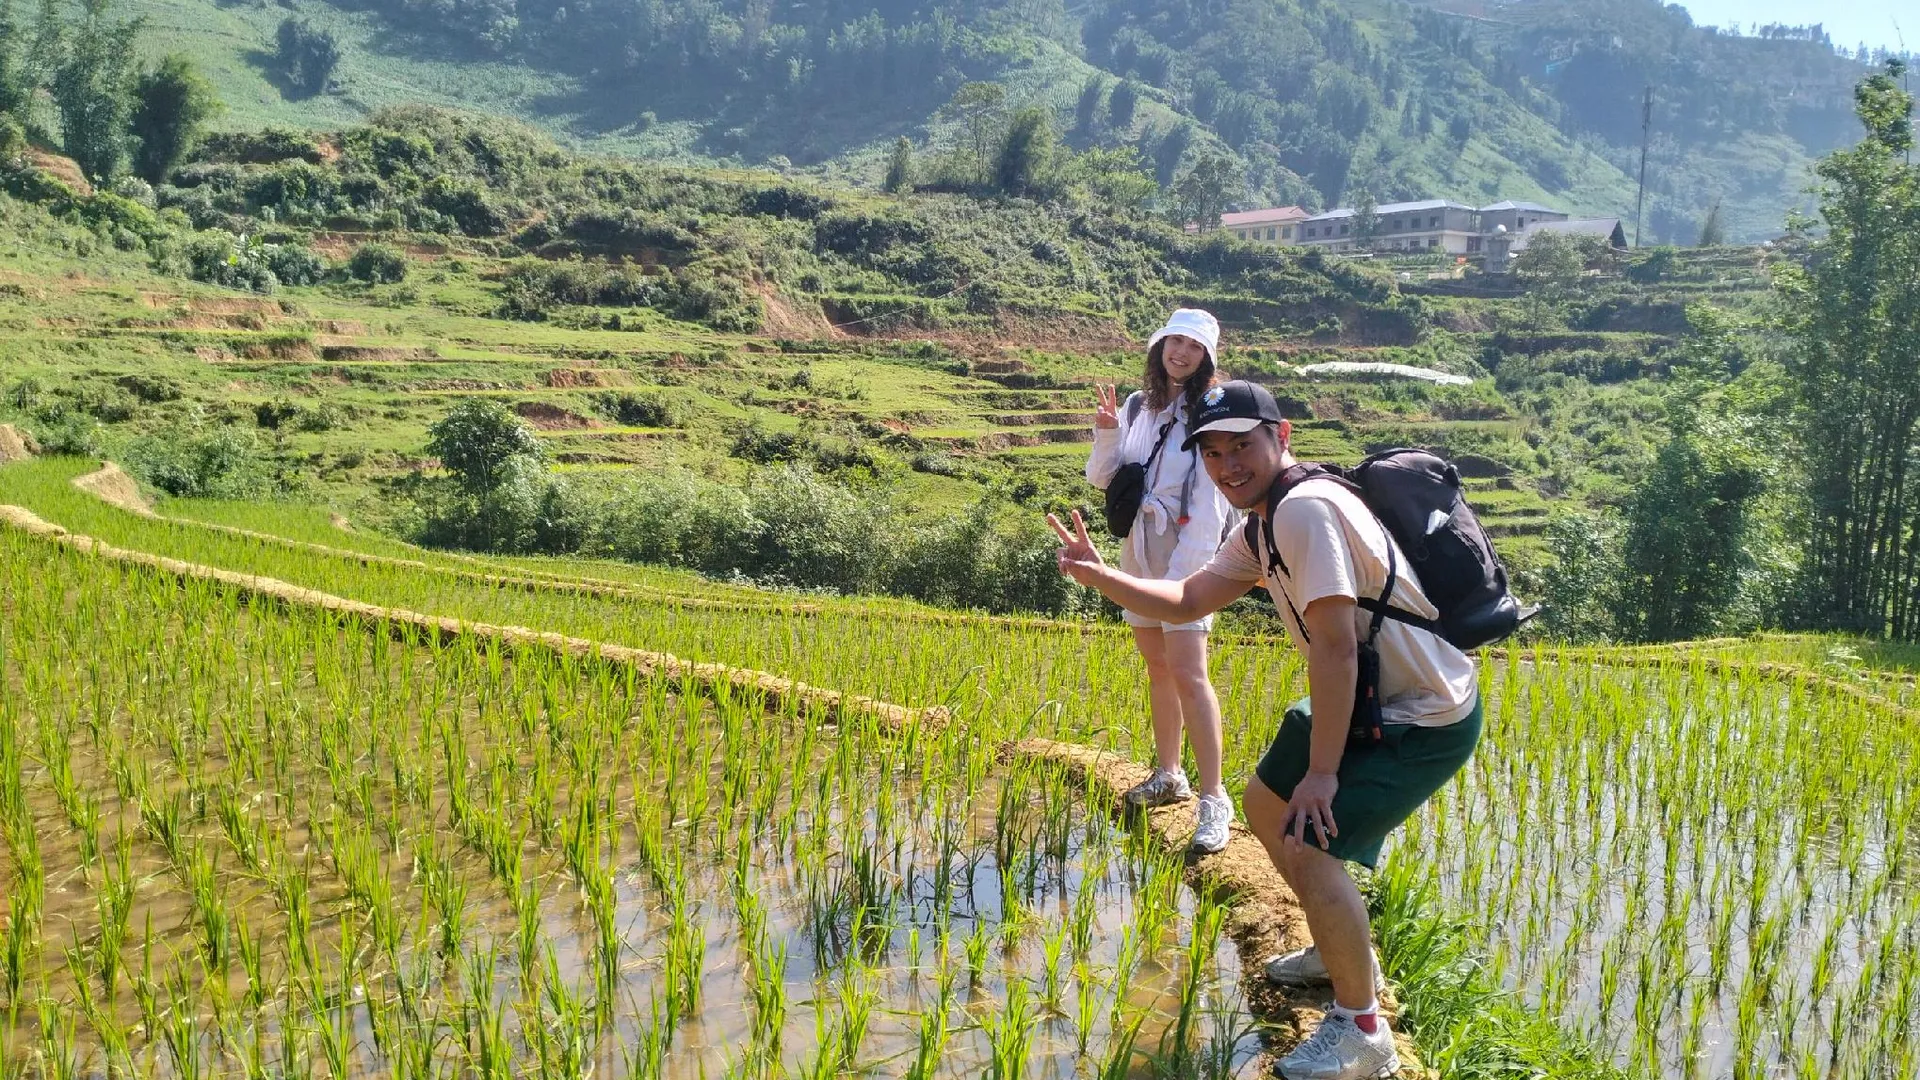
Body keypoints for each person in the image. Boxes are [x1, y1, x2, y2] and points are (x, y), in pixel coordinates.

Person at [1048, 380, 1482, 1080]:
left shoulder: (1305, 512)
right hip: (1376, 698)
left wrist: (1322, 773)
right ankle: (1340, 951)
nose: (1227, 465)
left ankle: (1362, 1032)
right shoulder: (1263, 521)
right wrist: (1101, 576)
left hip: (1420, 714)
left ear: (1281, 439)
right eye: (1212, 452)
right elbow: (1190, 597)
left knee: (1307, 840)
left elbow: (1337, 647)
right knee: (1262, 804)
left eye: (1242, 446)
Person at [1084, 308, 1237, 854]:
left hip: (1186, 558)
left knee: (1191, 675)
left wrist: (1183, 587)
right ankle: (1169, 773)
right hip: (1139, 551)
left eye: (1193, 347)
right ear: (1160, 347)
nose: (1181, 352)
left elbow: (1211, 507)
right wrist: (1106, 433)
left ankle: (1215, 799)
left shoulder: (1210, 416)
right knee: (1158, 668)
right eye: (1175, 341)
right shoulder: (1137, 406)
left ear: (1206, 359)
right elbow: (1105, 478)